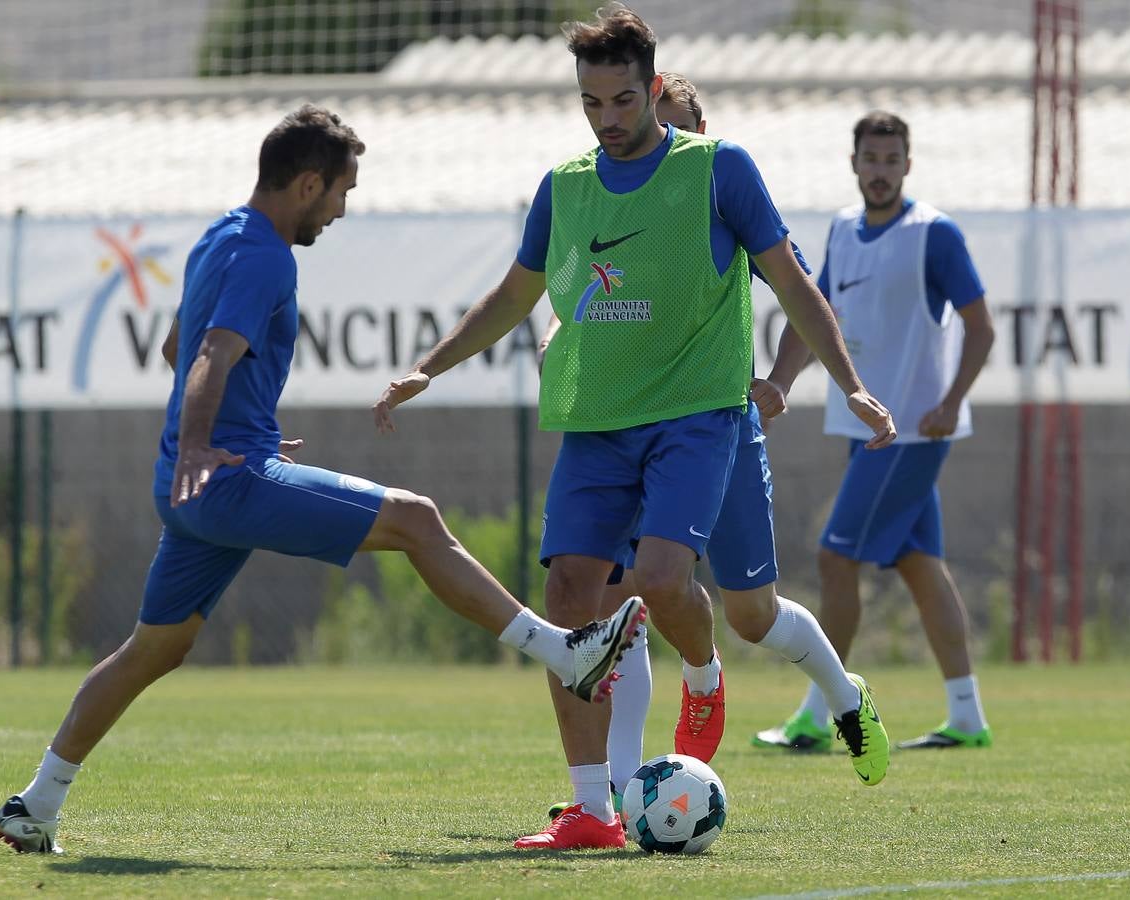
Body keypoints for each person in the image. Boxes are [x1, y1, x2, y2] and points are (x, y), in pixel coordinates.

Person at [0, 104, 645, 855]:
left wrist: (225, 433)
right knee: (418, 519)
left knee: (152, 649)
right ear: (307, 183)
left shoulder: (219, 236)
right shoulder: (267, 255)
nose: (341, 209)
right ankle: (565, 652)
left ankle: (36, 803)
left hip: (192, 482)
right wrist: (216, 442)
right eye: (342, 191)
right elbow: (206, 355)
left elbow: (177, 345)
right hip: (225, 479)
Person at [374, 5, 896, 851]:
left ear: (654, 90)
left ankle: (786, 685)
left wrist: (852, 387)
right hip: (598, 425)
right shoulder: (565, 187)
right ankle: (595, 807)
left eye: (623, 101)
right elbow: (516, 296)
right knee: (576, 598)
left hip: (704, 419)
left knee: (716, 601)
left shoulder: (721, 170)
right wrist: (429, 367)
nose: (608, 119)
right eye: (592, 103)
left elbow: (797, 288)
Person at [535, 72, 892, 821]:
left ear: (696, 131)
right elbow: (588, 296)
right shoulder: (606, 190)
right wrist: (563, 332)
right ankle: (621, 796)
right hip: (631, 426)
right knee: (615, 599)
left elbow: (799, 291)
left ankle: (840, 694)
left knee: (752, 614)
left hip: (716, 428)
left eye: (671, 125)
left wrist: (786, 382)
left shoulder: (720, 186)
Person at [754, 110, 996, 753]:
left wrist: (951, 401)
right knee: (920, 565)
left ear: (907, 165)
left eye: (892, 160)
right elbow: (813, 314)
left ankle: (820, 712)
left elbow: (982, 327)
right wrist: (780, 381)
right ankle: (967, 716)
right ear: (854, 163)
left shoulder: (933, 234)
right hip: (861, 428)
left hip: (911, 431)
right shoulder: (843, 229)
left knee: (837, 556)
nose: (881, 171)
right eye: (872, 159)